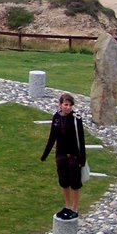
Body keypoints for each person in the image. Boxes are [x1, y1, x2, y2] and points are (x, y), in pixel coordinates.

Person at [40, 92, 86, 220]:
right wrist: (45, 154)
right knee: (64, 181)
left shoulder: (76, 119)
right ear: (60, 104)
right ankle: (67, 206)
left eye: (70, 105)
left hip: (74, 155)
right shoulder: (56, 117)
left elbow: (81, 140)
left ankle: (75, 208)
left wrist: (82, 159)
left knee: (75, 183)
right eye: (65, 104)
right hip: (61, 155)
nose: (68, 107)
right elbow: (52, 137)